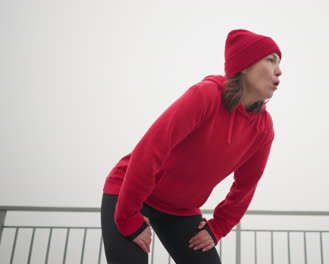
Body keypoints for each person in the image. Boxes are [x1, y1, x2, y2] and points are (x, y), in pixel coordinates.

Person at [100, 29, 282, 264]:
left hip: (180, 209)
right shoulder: (206, 95)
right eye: (271, 60)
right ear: (244, 65)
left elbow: (246, 184)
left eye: (279, 62)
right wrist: (127, 217)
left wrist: (218, 226)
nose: (279, 70)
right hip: (130, 193)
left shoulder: (263, 128)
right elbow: (151, 149)